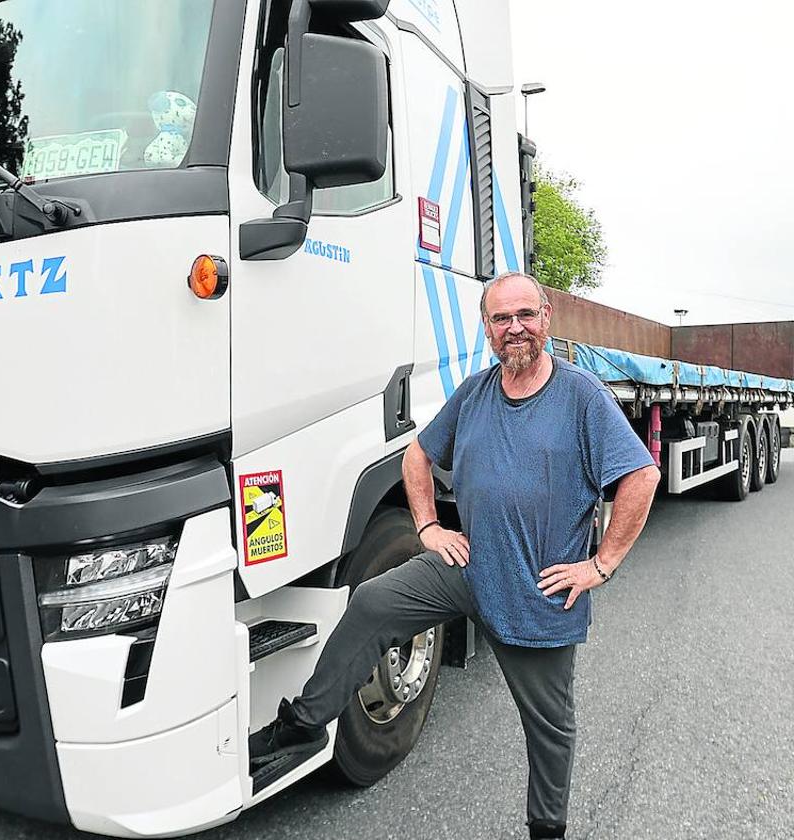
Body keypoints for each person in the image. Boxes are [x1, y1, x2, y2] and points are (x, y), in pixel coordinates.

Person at [248, 272, 662, 840]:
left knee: (549, 728)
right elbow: (417, 455)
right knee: (372, 601)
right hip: (466, 567)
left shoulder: (581, 396)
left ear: (546, 319)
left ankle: (547, 828)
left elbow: (640, 474)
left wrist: (600, 565)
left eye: (524, 315)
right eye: (500, 319)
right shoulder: (475, 392)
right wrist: (427, 526)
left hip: (537, 590)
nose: (514, 328)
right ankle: (304, 723)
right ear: (487, 328)